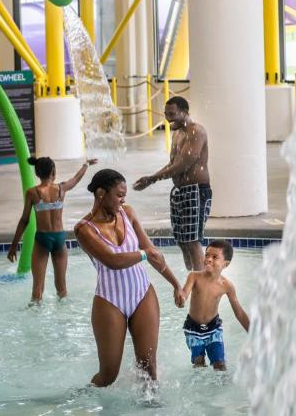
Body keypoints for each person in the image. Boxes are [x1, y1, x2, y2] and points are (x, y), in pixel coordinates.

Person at [74, 169, 185, 387]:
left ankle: (151, 408)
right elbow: (112, 261)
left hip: (142, 293)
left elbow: (153, 253)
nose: (123, 199)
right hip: (110, 300)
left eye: (124, 195)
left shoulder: (128, 213)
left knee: (148, 366)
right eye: (119, 195)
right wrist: (144, 254)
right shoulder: (84, 229)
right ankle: (82, 399)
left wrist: (176, 284)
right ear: (100, 194)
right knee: (108, 375)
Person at [133, 96, 211, 273]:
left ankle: (200, 283)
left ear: (184, 112)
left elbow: (183, 164)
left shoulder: (196, 132)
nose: (168, 119)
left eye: (172, 114)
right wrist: (151, 177)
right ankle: (192, 277)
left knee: (192, 240)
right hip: (179, 191)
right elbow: (172, 163)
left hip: (196, 191)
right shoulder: (177, 134)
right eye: (166, 114)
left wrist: (152, 179)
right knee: (182, 240)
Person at [8, 156, 97, 302]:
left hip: (42, 238)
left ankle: (34, 319)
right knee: (62, 288)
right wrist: (86, 164)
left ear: (37, 173)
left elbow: (24, 220)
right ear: (53, 172)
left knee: (37, 289)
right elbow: (76, 179)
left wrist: (13, 246)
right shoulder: (62, 188)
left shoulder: (32, 193)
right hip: (59, 239)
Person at [179, 240, 249, 371]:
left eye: (215, 257)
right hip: (193, 329)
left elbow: (239, 312)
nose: (208, 259)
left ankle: (221, 388)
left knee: (220, 365)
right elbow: (184, 294)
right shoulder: (194, 277)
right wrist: (181, 299)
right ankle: (201, 390)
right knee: (198, 363)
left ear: (225, 264)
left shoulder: (226, 285)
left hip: (213, 328)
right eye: (207, 255)